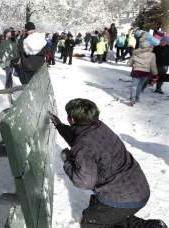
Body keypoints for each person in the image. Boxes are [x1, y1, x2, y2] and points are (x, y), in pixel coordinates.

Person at [49, 98, 167, 228]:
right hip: (139, 188)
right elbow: (81, 138)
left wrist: (67, 161)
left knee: (91, 222)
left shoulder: (83, 144)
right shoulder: (99, 127)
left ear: (71, 119)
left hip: (122, 197)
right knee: (102, 210)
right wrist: (60, 127)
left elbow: (84, 182)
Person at [128, 40, 158, 105]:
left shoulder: (136, 53)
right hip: (145, 72)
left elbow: (129, 63)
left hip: (136, 71)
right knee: (140, 86)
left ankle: (132, 98)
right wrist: (155, 73)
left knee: (134, 86)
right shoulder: (152, 55)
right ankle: (137, 98)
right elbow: (153, 65)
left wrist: (133, 64)